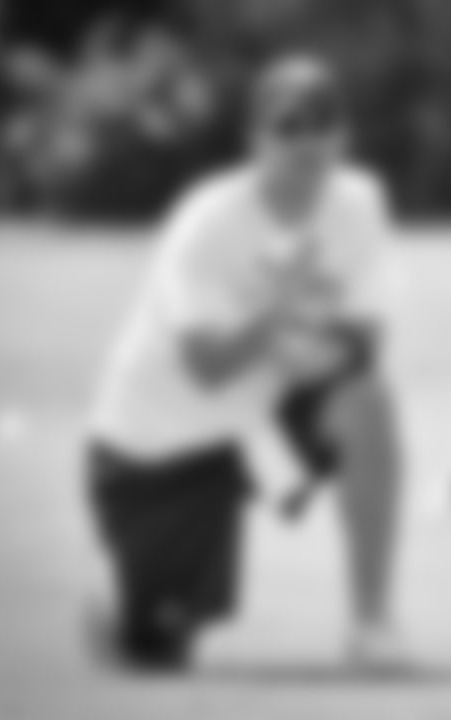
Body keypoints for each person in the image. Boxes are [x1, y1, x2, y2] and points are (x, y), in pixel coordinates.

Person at [84, 53, 405, 671]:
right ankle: (125, 584)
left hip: (254, 426)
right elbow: (204, 366)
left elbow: (365, 341)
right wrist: (281, 311)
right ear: (255, 139)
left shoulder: (360, 202)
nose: (308, 141)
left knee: (366, 401)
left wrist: (308, 340)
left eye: (325, 123)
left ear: (344, 136)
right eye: (288, 125)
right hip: (155, 452)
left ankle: (372, 626)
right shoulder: (208, 219)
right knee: (155, 646)